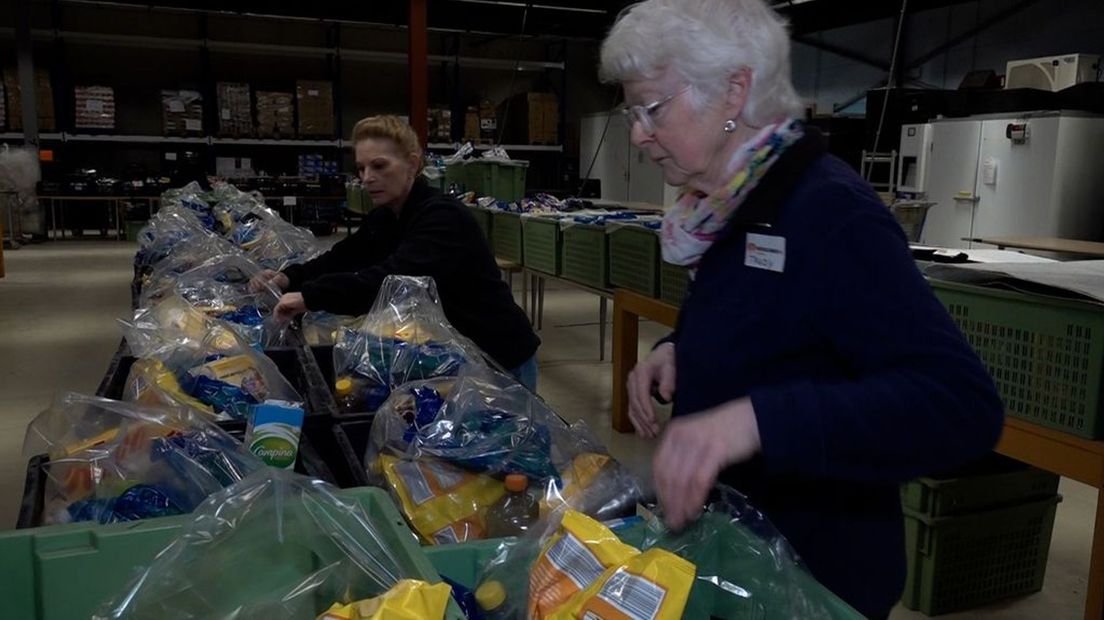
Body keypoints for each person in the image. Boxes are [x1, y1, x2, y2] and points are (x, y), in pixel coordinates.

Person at [601, 1, 1004, 617]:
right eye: (631, 111)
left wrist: (754, 421)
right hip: (739, 557)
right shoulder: (727, 207)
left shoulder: (828, 213)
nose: (637, 133)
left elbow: (960, 405)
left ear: (734, 90)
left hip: (816, 581)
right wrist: (679, 348)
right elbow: (767, 316)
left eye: (652, 108)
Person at [250, 115, 540, 390]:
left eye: (379, 166)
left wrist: (310, 297)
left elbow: (391, 279)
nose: (367, 178)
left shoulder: (442, 217)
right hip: (455, 355)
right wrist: (288, 278)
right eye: (361, 169)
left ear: (412, 165)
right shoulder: (387, 216)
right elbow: (341, 257)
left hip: (499, 358)